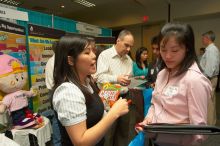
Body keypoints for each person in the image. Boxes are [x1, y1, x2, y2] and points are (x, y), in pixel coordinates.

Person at [137, 22, 212, 146]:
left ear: (187, 48)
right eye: (163, 49)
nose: (167, 56)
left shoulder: (194, 80)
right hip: (156, 140)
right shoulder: (162, 74)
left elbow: (199, 132)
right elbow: (155, 105)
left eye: (174, 50)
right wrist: (148, 121)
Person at [52, 35, 129, 146]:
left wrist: (109, 106)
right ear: (71, 60)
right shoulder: (68, 92)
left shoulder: (87, 83)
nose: (94, 56)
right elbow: (81, 141)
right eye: (87, 53)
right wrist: (114, 113)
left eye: (93, 51)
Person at [95, 30, 134, 146]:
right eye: (126, 45)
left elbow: (128, 79)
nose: (128, 49)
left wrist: (129, 81)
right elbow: (99, 77)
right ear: (118, 41)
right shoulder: (105, 55)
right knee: (108, 133)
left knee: (123, 132)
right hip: (109, 96)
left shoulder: (129, 60)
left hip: (125, 98)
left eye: (130, 47)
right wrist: (116, 79)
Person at [200, 31, 220, 125]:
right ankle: (211, 122)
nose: (202, 40)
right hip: (209, 78)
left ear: (207, 38)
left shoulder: (211, 50)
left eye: (203, 38)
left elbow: (210, 69)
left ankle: (210, 124)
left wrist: (203, 78)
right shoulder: (210, 49)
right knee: (210, 101)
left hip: (209, 78)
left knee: (209, 102)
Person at [44, 41, 62, 146]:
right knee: (57, 118)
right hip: (56, 92)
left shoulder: (51, 60)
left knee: (56, 116)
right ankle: (57, 143)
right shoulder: (57, 62)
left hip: (52, 91)